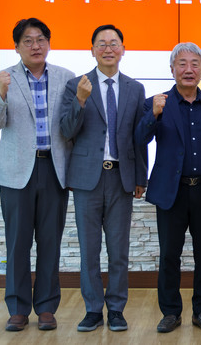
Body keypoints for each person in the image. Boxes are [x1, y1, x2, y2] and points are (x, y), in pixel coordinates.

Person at [0, 18, 75, 332]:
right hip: (16, 172)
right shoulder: (3, 78)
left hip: (54, 169)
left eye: (40, 39)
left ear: (48, 43)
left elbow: (72, 124)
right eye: (28, 40)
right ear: (16, 46)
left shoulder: (66, 77)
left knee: (50, 242)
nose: (35, 46)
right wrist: (0, 93)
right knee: (17, 243)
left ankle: (47, 307)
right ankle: (18, 308)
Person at [60, 24, 147, 332]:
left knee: (119, 250)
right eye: (101, 43)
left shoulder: (135, 88)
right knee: (89, 250)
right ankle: (93, 309)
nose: (108, 49)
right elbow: (66, 130)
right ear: (92, 50)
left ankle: (117, 309)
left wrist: (141, 177)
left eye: (113, 43)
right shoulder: (76, 85)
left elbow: (139, 137)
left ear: (123, 49)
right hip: (87, 179)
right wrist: (80, 101)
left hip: (121, 177)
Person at [136, 42, 201, 333]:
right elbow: (139, 140)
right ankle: (171, 312)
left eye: (194, 64)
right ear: (172, 68)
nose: (189, 69)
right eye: (182, 63)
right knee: (169, 256)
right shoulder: (157, 102)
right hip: (171, 192)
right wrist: (153, 115)